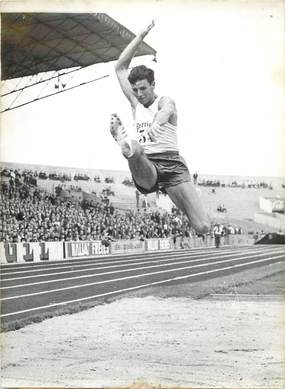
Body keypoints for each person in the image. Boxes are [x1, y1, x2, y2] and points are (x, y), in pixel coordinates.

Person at [110, 20, 209, 235]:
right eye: (135, 89)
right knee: (134, 149)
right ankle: (123, 145)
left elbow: (167, 110)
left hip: (173, 166)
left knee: (202, 227)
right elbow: (119, 68)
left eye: (143, 88)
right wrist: (140, 36)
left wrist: (157, 123)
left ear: (153, 85)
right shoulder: (135, 104)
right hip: (149, 164)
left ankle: (171, 191)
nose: (139, 94)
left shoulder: (164, 101)